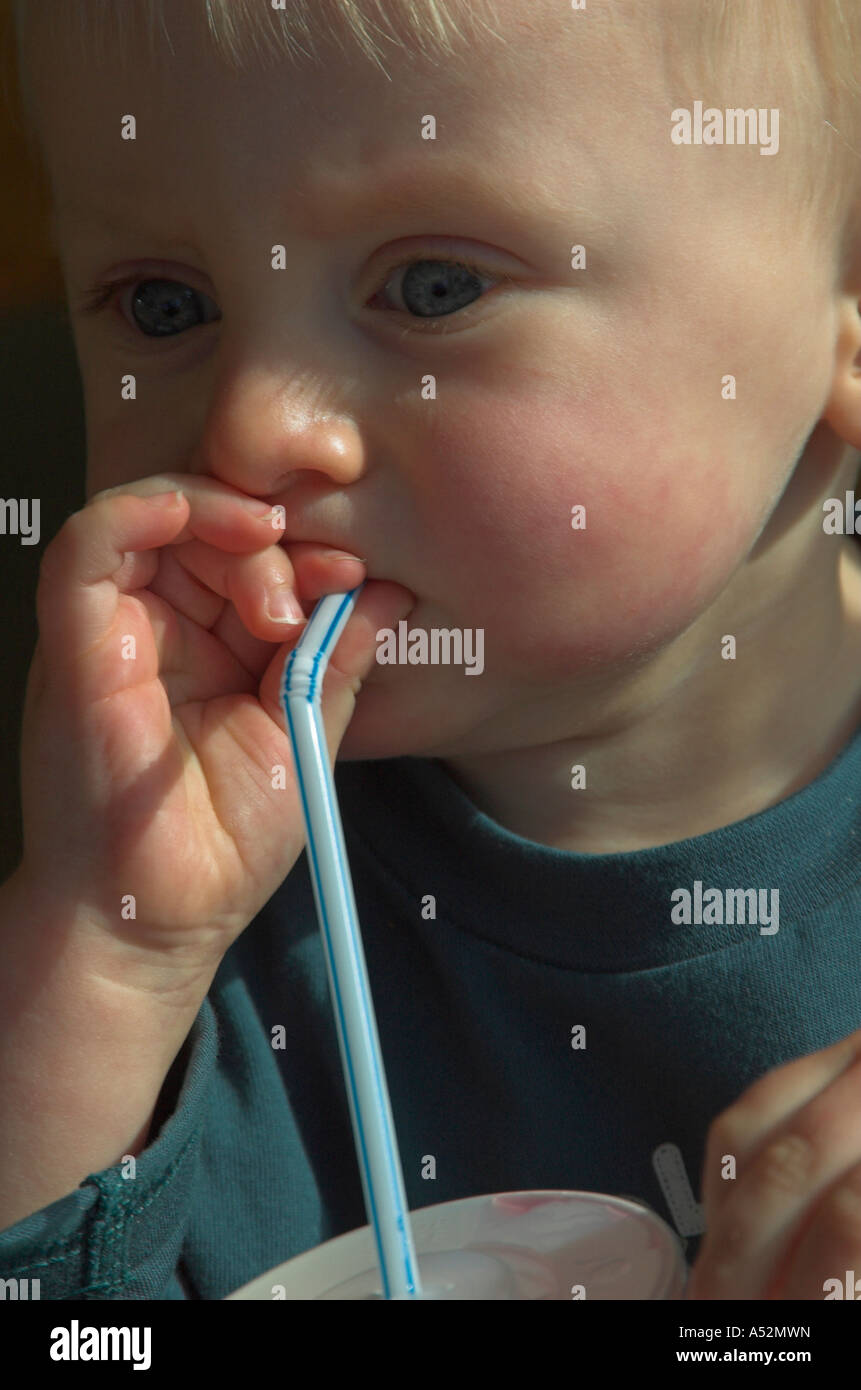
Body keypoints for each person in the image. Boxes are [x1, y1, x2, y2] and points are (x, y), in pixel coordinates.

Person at [1, 0, 860, 1301]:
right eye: (165, 304)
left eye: (433, 288)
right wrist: (111, 964)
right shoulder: (166, 886)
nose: (250, 426)